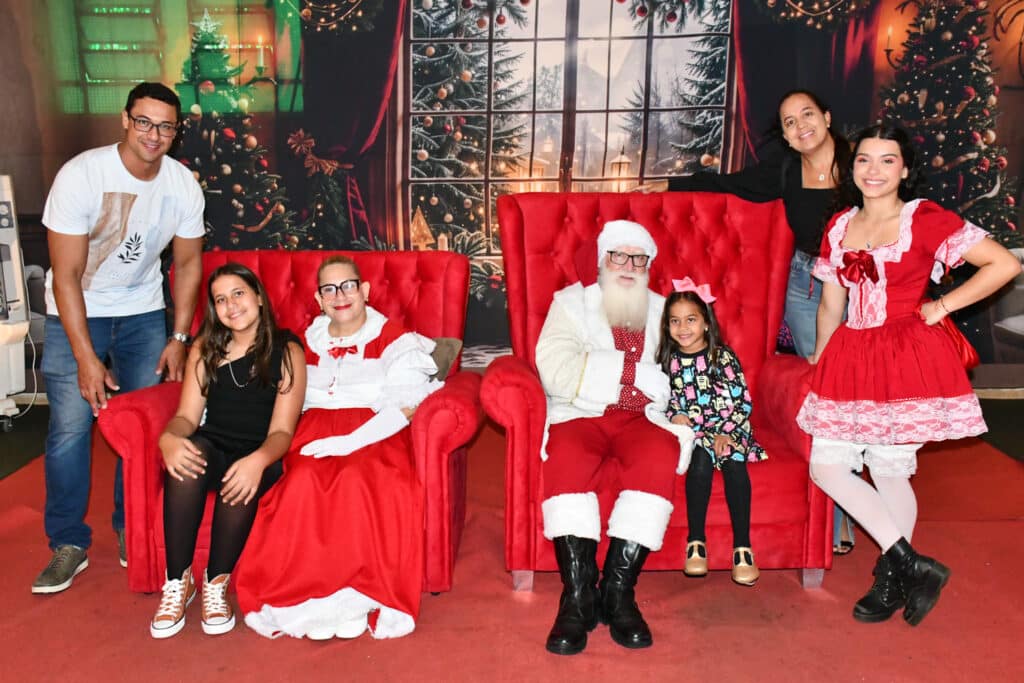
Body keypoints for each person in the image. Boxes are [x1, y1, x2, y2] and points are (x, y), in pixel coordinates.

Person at [797, 124, 1022, 626]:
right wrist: (821, 358)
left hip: (904, 353)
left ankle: (891, 578)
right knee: (826, 466)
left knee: (889, 470)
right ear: (851, 167)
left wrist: (942, 306)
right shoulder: (840, 224)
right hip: (851, 352)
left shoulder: (922, 219)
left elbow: (1002, 264)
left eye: (887, 160)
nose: (873, 170)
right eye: (864, 160)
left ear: (904, 170)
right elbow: (831, 303)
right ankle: (912, 564)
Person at [655, 89, 858, 556]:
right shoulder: (786, 170)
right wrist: (669, 186)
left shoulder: (857, 164)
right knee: (823, 388)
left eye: (807, 114)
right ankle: (835, 513)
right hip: (807, 285)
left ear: (827, 117)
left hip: (857, 281)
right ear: (784, 136)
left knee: (853, 391)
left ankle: (850, 502)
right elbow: (731, 185)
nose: (801, 126)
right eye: (789, 122)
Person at [33, 82, 205, 595]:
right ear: (126, 120)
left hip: (142, 313)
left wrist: (179, 335)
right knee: (70, 429)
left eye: (165, 126)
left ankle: (132, 524)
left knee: (144, 425)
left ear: (176, 132)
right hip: (76, 313)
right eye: (144, 122)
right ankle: (68, 543)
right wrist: (86, 357)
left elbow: (188, 264)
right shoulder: (82, 176)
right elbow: (66, 277)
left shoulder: (182, 185)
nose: (154, 134)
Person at [233, 255, 443, 640]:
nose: (340, 296)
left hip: (376, 430)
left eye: (348, 286)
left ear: (364, 290)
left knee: (359, 479)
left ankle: (357, 594)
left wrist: (349, 442)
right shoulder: (303, 341)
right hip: (312, 430)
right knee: (303, 483)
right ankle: (310, 599)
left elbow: (406, 406)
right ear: (319, 299)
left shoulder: (394, 338)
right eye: (329, 289)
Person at [535, 220, 694, 655]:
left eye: (639, 259)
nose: (628, 266)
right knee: (567, 457)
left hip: (643, 417)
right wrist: (631, 372)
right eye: (618, 256)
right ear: (602, 260)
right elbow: (554, 367)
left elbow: (687, 365)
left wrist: (677, 401)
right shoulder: (571, 303)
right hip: (580, 411)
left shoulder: (664, 309)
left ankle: (618, 592)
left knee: (660, 454)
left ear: (648, 266)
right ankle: (577, 597)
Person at [150, 264, 305, 638]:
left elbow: (282, 431)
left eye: (238, 293)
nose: (231, 305)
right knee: (186, 460)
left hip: (260, 451)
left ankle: (215, 582)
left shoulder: (287, 349)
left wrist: (258, 461)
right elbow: (187, 417)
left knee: (239, 484)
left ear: (258, 297)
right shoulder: (205, 348)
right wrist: (168, 439)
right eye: (220, 299)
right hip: (215, 443)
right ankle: (178, 582)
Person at [657, 278, 766, 587]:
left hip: (730, 427)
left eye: (691, 319)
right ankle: (696, 543)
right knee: (700, 464)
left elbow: (743, 401)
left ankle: (743, 548)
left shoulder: (723, 357)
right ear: (667, 326)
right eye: (675, 321)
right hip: (696, 433)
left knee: (733, 464)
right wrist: (675, 414)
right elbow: (664, 399)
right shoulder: (668, 362)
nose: (683, 328)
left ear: (706, 322)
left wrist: (726, 432)